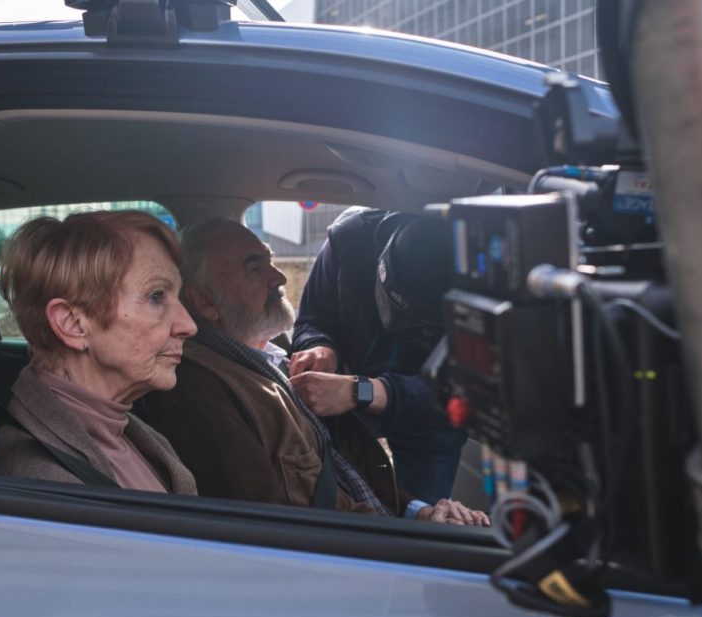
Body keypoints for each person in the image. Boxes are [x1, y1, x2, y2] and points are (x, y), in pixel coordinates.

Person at [142, 218, 487, 524]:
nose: (279, 277)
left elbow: (471, 394)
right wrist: (320, 345)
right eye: (255, 268)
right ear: (204, 301)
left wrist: (418, 511)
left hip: (418, 436)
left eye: (270, 261)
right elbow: (281, 524)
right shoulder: (203, 392)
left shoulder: (272, 361)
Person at [0, 211, 198, 495]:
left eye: (177, 296)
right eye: (156, 296)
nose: (189, 325)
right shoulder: (46, 481)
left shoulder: (124, 433)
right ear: (73, 324)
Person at [290, 208, 464, 506]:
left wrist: (364, 391)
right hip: (340, 399)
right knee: (342, 500)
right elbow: (312, 319)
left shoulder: (483, 294)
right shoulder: (348, 240)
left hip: (428, 414)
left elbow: (465, 392)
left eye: (418, 322)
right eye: (393, 303)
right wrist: (320, 346)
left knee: (423, 515)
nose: (397, 325)